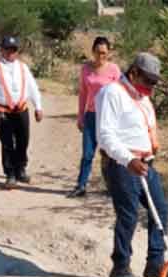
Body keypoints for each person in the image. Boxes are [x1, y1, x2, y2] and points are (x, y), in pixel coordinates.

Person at [95, 52, 168, 277]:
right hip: (121, 164)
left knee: (159, 210)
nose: (152, 86)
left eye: (155, 82)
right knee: (128, 215)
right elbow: (105, 135)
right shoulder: (112, 93)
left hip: (144, 164)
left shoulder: (142, 98)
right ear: (134, 72)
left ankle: (156, 264)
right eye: (148, 80)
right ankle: (120, 268)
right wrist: (128, 159)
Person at [0, 35, 44, 189]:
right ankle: (10, 174)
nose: (10, 53)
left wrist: (38, 106)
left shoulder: (23, 67)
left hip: (21, 109)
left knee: (23, 141)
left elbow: (32, 87)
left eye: (13, 50)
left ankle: (20, 169)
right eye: (7, 49)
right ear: (1, 50)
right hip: (2, 110)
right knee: (7, 143)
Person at [68, 36, 121, 198]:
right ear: (93, 51)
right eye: (98, 52)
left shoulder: (114, 70)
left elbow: (121, 95)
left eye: (104, 53)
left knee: (109, 154)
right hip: (91, 115)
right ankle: (81, 185)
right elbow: (83, 93)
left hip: (109, 117)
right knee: (87, 153)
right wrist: (80, 116)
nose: (101, 56)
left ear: (109, 53)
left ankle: (112, 187)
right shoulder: (86, 69)